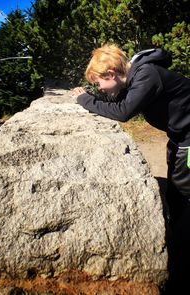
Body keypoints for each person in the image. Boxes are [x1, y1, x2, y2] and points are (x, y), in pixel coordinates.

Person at [72, 44, 190, 294]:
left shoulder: (146, 75)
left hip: (189, 138)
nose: (99, 87)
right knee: (174, 191)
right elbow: (121, 99)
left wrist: (84, 100)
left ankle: (180, 257)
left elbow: (123, 112)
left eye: (99, 83)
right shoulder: (136, 77)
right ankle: (174, 236)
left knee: (184, 191)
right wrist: (89, 97)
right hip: (180, 135)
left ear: (111, 74)